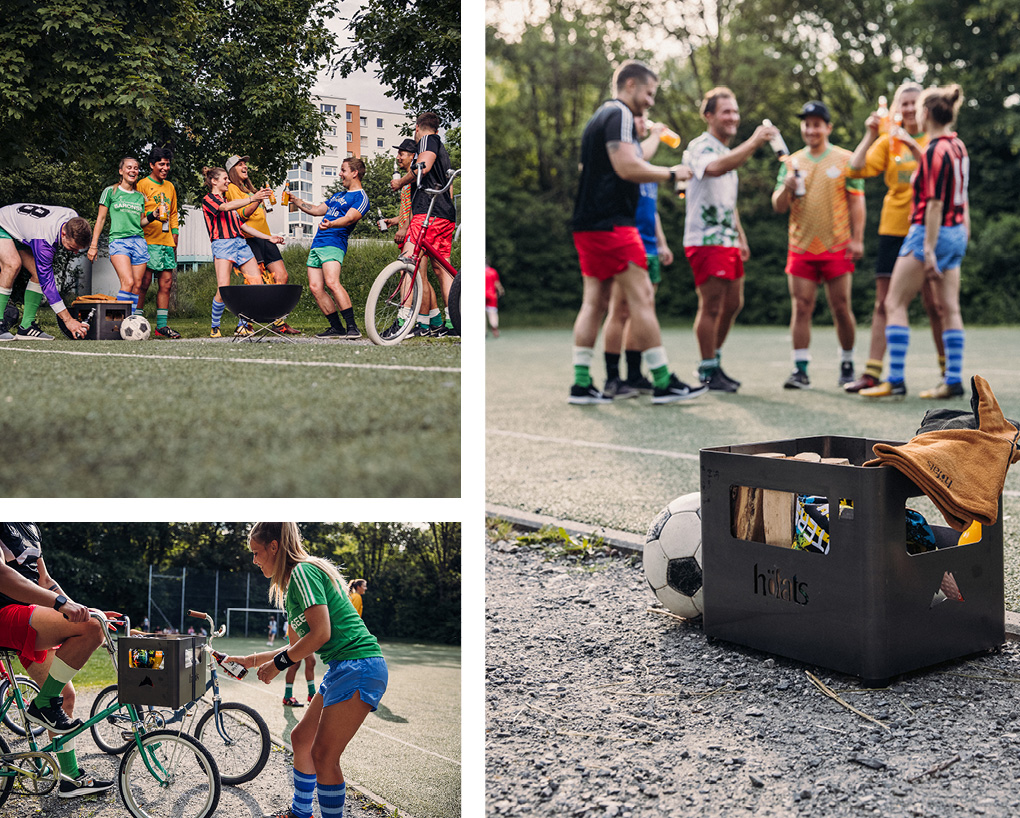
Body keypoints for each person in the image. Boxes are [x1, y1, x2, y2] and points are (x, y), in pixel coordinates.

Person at [225, 523, 387, 818]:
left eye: (256, 552)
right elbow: (298, 645)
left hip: (359, 665)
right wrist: (250, 661)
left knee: (324, 757)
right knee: (301, 739)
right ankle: (301, 813)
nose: (254, 560)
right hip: (343, 667)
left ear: (274, 547)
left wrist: (277, 665)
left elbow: (321, 634)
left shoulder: (303, 572)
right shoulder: (291, 588)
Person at [569, 59, 707, 405]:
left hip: (587, 225)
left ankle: (581, 383)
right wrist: (672, 174)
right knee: (642, 296)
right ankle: (662, 382)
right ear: (631, 85)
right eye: (649, 93)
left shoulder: (599, 118)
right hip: (614, 224)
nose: (651, 101)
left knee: (594, 302)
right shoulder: (620, 115)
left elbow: (595, 167)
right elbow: (627, 166)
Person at [861, 85, 970, 400]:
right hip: (957, 231)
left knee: (893, 303)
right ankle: (952, 379)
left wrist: (929, 249)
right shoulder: (958, 146)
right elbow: (959, 195)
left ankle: (894, 378)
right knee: (950, 307)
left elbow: (934, 203)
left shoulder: (935, 150)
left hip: (928, 232)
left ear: (925, 113)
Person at [0, 523, 117, 797]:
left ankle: (70, 778)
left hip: (30, 614)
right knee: (92, 628)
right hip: (5, 613)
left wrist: (81, 610)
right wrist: (64, 607)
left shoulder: (30, 526)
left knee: (65, 696)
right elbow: (2, 575)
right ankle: (41, 705)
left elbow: (45, 581)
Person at [844, 83, 945, 393]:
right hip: (893, 228)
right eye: (904, 104)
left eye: (915, 103)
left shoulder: (934, 139)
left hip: (929, 228)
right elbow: (854, 169)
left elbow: (941, 175)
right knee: (884, 302)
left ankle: (948, 375)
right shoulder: (888, 141)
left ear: (925, 107)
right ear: (896, 108)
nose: (910, 109)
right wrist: (870, 135)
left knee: (935, 303)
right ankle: (873, 374)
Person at [684, 88, 779, 392]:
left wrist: (741, 236)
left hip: (726, 239)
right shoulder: (701, 147)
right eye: (726, 111)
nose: (733, 117)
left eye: (735, 111)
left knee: (733, 303)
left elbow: (728, 201)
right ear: (709, 116)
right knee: (711, 305)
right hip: (705, 238)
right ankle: (707, 370)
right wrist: (755, 141)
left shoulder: (727, 152)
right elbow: (715, 169)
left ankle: (715, 360)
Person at [771, 101, 865, 389]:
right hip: (801, 245)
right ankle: (800, 369)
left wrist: (858, 239)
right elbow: (777, 206)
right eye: (806, 124)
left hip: (836, 243)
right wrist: (786, 187)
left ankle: (847, 363)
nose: (811, 129)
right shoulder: (791, 162)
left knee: (840, 306)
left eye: (816, 124)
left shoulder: (845, 159)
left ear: (828, 127)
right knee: (801, 307)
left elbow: (856, 201)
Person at [600, 114, 674, 399]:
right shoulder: (627, 157)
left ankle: (633, 375)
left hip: (650, 247)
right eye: (639, 119)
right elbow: (642, 150)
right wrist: (657, 133)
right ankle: (612, 379)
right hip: (627, 244)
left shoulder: (645, 166)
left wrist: (662, 243)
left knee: (641, 311)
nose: (644, 122)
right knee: (619, 311)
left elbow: (650, 209)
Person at [391, 112, 457, 335]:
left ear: (417, 128)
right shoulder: (442, 148)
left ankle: (404, 322)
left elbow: (423, 166)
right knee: (443, 270)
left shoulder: (428, 140)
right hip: (446, 215)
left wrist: (400, 182)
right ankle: (453, 322)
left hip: (428, 212)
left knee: (408, 265)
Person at [289, 157, 369, 339]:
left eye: (343, 170)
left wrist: (331, 224)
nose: (340, 174)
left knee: (332, 283)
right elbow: (317, 209)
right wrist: (297, 200)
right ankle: (336, 327)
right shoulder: (338, 195)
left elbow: (350, 218)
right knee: (316, 287)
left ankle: (352, 327)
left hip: (334, 243)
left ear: (354, 173)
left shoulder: (361, 197)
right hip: (318, 243)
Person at [200, 166, 282, 338]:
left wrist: (269, 238)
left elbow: (243, 226)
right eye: (224, 179)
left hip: (240, 243)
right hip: (222, 245)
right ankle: (215, 326)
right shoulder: (210, 199)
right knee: (223, 288)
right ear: (214, 181)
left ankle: (243, 325)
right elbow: (223, 208)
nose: (228, 181)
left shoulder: (229, 203)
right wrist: (253, 198)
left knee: (256, 283)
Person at [225, 154, 300, 335]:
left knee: (282, 276)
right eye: (240, 164)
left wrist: (260, 198)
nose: (245, 167)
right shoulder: (231, 189)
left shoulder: (250, 190)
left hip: (265, 237)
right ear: (232, 170)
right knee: (254, 281)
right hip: (248, 239)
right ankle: (245, 323)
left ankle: (278, 321)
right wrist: (256, 199)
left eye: (245, 164)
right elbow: (241, 216)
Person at [88, 157, 166, 317]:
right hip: (119, 241)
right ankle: (117, 321)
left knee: (137, 285)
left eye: (136, 168)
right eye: (129, 167)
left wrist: (154, 215)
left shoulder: (139, 196)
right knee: (128, 282)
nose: (133, 171)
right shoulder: (110, 191)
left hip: (139, 242)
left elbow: (141, 221)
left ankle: (131, 322)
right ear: (121, 171)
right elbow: (101, 219)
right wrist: (93, 245)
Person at [0, 204, 92, 340]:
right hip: (3, 223)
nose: (75, 252)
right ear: (64, 234)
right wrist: (68, 320)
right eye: (73, 247)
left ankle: (26, 327)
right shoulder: (44, 241)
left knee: (37, 274)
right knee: (12, 264)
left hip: (21, 232)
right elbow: (48, 286)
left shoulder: (73, 217)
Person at [384, 138, 444, 337]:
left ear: (413, 156)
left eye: (402, 153)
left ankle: (414, 322)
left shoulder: (414, 178)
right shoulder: (409, 179)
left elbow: (416, 211)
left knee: (409, 274)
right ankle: (433, 321)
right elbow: (407, 209)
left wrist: (405, 227)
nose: (398, 157)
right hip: (411, 227)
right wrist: (395, 221)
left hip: (416, 228)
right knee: (422, 279)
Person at [136, 147, 183, 338]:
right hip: (148, 241)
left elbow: (173, 213)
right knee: (144, 283)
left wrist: (175, 233)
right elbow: (138, 214)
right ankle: (136, 322)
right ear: (152, 165)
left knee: (166, 283)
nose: (165, 168)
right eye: (161, 164)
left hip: (166, 242)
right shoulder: (142, 185)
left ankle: (161, 327)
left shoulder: (170, 186)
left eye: (167, 164)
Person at [283, 621, 317, 706]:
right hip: (296, 631)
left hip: (306, 632)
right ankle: (287, 696)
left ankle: (312, 694)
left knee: (311, 662)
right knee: (295, 664)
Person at [485, 263, 505, 338]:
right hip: (491, 295)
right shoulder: (493, 271)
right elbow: (496, 283)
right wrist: (501, 291)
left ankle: (484, 331)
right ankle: (495, 330)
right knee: (492, 313)